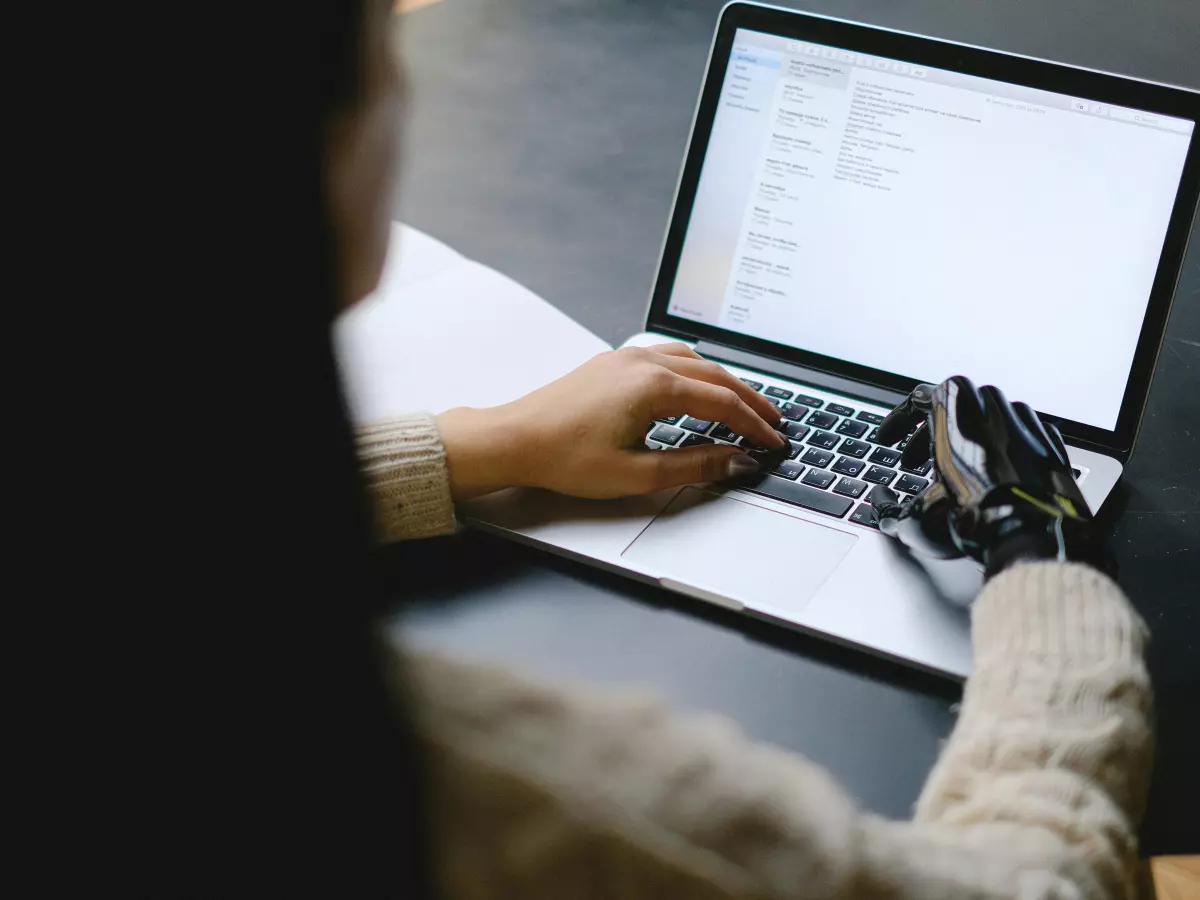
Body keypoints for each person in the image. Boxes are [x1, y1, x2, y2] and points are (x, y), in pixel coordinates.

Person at [103, 0, 1149, 893]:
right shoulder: (512, 799)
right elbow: (1041, 879)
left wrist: (488, 443)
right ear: (325, 154)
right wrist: (1040, 553)